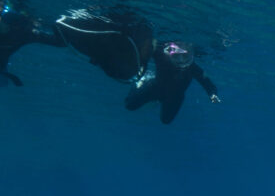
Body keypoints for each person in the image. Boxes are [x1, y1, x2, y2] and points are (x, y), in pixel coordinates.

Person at [55, 8, 220, 124]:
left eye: (185, 55)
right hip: (156, 86)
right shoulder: (161, 54)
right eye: (174, 51)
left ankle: (147, 88)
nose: (180, 57)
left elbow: (208, 83)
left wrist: (213, 95)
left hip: (175, 96)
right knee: (129, 105)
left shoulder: (193, 68)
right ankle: (142, 83)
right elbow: (143, 53)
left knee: (165, 121)